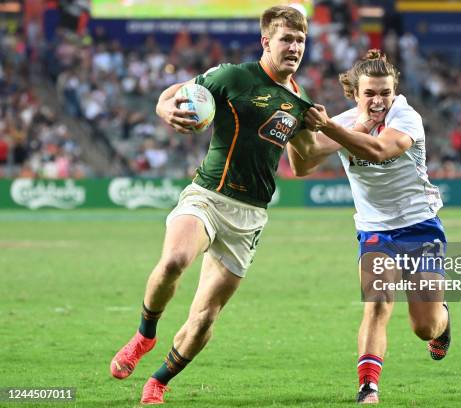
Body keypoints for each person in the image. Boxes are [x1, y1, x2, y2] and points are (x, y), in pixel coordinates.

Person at [109, 5, 315, 404]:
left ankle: (159, 381)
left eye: (300, 40)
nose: (294, 47)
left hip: (250, 216)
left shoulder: (299, 99)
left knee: (205, 317)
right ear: (266, 41)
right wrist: (166, 108)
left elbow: (304, 160)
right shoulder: (233, 76)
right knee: (173, 262)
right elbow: (172, 95)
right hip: (207, 195)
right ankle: (144, 336)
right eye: (286, 39)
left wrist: (344, 131)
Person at [288, 50, 451, 404]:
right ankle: (368, 387)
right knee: (377, 303)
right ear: (355, 94)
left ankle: (443, 321)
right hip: (375, 230)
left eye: (385, 93)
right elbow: (303, 166)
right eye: (370, 93)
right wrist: (293, 130)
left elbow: (378, 150)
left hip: (420, 226)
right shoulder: (347, 121)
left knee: (425, 327)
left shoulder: (407, 118)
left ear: (395, 92)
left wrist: (330, 126)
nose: (378, 101)